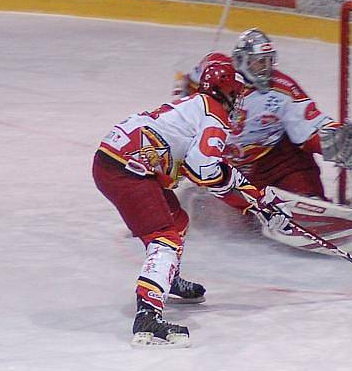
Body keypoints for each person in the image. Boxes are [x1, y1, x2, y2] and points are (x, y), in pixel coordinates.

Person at [93, 59, 293, 347]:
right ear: (225, 92)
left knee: (177, 220)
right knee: (165, 238)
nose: (237, 102)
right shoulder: (215, 114)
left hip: (116, 161)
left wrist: (255, 200)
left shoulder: (196, 107)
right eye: (236, 94)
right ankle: (148, 317)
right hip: (126, 169)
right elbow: (205, 170)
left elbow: (205, 169)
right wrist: (255, 202)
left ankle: (167, 278)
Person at [174, 29, 352, 263]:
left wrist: (338, 140)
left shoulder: (281, 89)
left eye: (268, 62)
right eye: (258, 62)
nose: (265, 68)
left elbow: (310, 121)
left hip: (278, 160)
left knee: (303, 204)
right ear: (241, 60)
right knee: (225, 221)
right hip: (231, 165)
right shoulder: (218, 74)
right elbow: (185, 87)